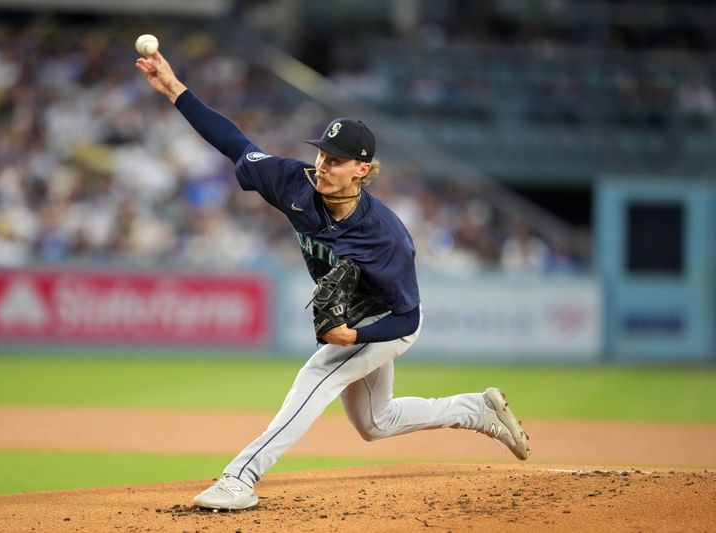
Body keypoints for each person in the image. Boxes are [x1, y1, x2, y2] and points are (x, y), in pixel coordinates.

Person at [135, 51, 530, 511]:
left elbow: (406, 317)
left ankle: (240, 478)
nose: (323, 165)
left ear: (362, 170)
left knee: (318, 375)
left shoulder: (386, 237)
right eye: (322, 154)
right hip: (359, 316)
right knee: (375, 423)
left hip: (385, 318)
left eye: (337, 160)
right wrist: (175, 89)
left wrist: (356, 335)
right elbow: (235, 143)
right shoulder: (294, 183)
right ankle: (475, 410)